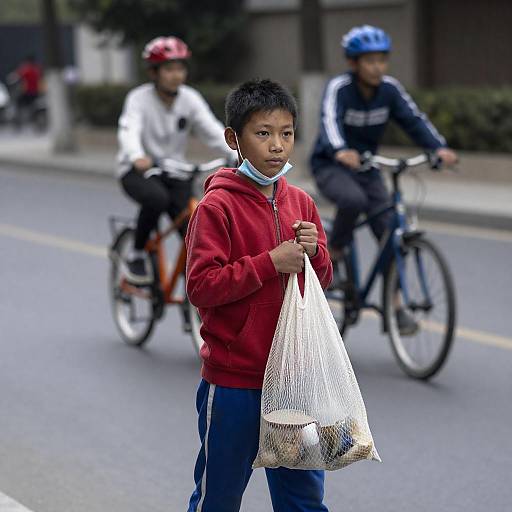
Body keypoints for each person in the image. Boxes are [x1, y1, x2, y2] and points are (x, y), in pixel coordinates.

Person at [185, 79, 333, 511]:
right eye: (263, 133)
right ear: (234, 139)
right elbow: (201, 287)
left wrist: (314, 253)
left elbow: (321, 281)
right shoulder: (218, 207)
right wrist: (270, 262)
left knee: (304, 501)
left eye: (286, 133)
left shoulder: (302, 202)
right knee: (220, 498)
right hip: (234, 383)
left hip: (292, 383)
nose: (277, 146)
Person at [310, 25, 458, 333]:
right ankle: (333, 257)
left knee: (391, 233)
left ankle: (397, 308)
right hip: (331, 165)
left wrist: (438, 148)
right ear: (353, 63)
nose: (377, 67)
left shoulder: (389, 89)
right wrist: (340, 150)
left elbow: (414, 120)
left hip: (368, 167)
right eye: (370, 61)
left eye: (382, 60)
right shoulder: (339, 87)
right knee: (352, 200)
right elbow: (328, 120)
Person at [117, 36, 235, 284]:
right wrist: (137, 155)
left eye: (180, 68)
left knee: (195, 228)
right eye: (169, 69)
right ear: (153, 72)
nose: (176, 75)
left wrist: (237, 153)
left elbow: (211, 130)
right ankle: (137, 253)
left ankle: (193, 288)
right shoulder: (138, 99)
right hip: (137, 170)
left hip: (175, 170)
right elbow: (129, 129)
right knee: (156, 199)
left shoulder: (189, 99)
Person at [10, 55, 42, 128]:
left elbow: (16, 76)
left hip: (27, 92)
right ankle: (33, 119)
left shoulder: (26, 69)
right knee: (32, 106)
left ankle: (18, 120)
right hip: (36, 92)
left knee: (18, 103)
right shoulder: (36, 69)